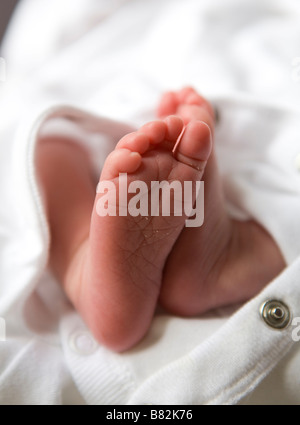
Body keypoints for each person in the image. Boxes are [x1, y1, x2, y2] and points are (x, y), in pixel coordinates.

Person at [37, 86, 285, 352]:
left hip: (102, 114)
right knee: (44, 140)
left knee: (45, 144)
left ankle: (82, 255)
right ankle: (237, 253)